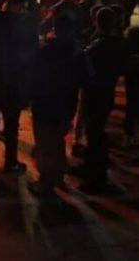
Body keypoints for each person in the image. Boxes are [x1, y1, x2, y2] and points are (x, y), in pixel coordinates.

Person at [30, 15, 87, 198]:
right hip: (66, 105)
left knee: (45, 145)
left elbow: (34, 76)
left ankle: (46, 183)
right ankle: (58, 177)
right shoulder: (77, 52)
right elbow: (85, 79)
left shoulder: (46, 51)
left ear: (55, 29)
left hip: (45, 105)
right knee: (58, 141)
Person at [0, 0, 37, 174]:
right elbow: (29, 57)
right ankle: (11, 162)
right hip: (13, 84)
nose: (24, 11)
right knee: (12, 126)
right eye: (23, 8)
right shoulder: (24, 26)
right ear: (18, 6)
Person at [80, 7, 129, 193]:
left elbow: (84, 65)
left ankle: (96, 177)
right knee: (97, 132)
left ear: (97, 23)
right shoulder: (119, 44)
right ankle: (93, 170)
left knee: (95, 134)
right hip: (107, 91)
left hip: (94, 94)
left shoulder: (97, 47)